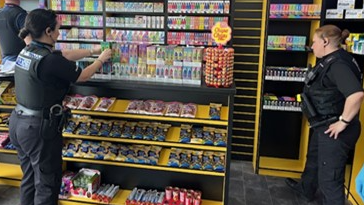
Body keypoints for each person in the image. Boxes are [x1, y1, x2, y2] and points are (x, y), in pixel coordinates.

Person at [9, 8, 111, 205]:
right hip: (39, 129)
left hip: (18, 124)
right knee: (47, 184)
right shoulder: (49, 60)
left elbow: (65, 54)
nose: (59, 32)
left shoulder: (29, 49)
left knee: (30, 177)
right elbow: (83, 75)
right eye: (57, 29)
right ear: (48, 31)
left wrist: (92, 50)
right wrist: (101, 59)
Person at [285, 24, 364, 205]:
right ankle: (306, 190)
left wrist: (343, 122)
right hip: (324, 125)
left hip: (336, 131)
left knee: (330, 181)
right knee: (313, 160)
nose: (312, 46)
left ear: (325, 42)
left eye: (314, 42)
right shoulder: (334, 57)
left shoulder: (338, 65)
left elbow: (356, 94)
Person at [0, 0, 30, 64]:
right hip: (20, 59)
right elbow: (29, 40)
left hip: (5, 60)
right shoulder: (20, 14)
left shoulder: (1, 12)